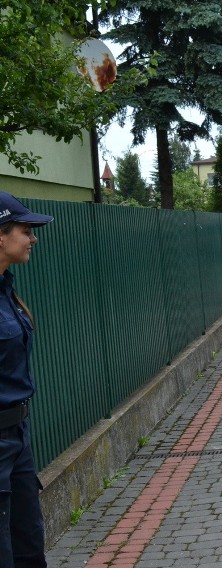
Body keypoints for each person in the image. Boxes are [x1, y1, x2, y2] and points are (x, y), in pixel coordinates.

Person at [0, 191, 54, 567]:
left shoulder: (7, 290)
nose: (32, 237)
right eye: (25, 229)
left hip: (18, 439)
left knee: (30, 548)